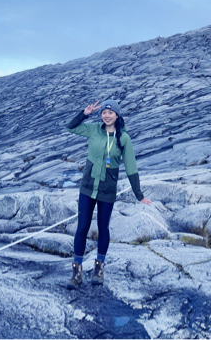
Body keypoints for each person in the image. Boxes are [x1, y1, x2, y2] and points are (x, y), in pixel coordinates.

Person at [65, 100, 152, 290]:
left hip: (107, 189)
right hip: (87, 187)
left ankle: (99, 270)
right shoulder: (93, 129)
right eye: (104, 112)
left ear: (117, 116)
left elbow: (131, 166)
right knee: (82, 228)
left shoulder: (124, 138)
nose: (106, 115)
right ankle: (76, 273)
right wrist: (84, 113)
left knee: (103, 228)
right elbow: (70, 127)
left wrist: (139, 195)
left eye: (110, 113)